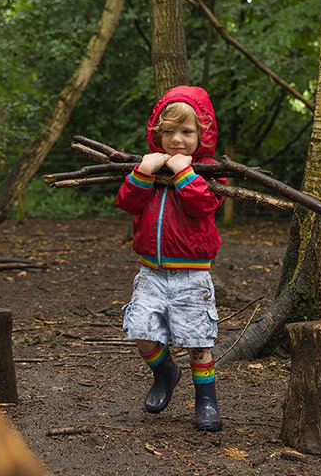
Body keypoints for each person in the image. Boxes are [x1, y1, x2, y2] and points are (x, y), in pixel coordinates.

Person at [116, 85, 226, 431]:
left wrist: (185, 173)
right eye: (169, 132)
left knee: (197, 341)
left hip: (192, 275)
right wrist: (142, 173)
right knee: (141, 331)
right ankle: (166, 371)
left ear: (202, 134)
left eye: (187, 132)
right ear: (156, 133)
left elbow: (204, 205)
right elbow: (126, 202)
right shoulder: (149, 166)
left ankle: (206, 399)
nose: (177, 139)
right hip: (150, 272)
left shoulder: (211, 171)